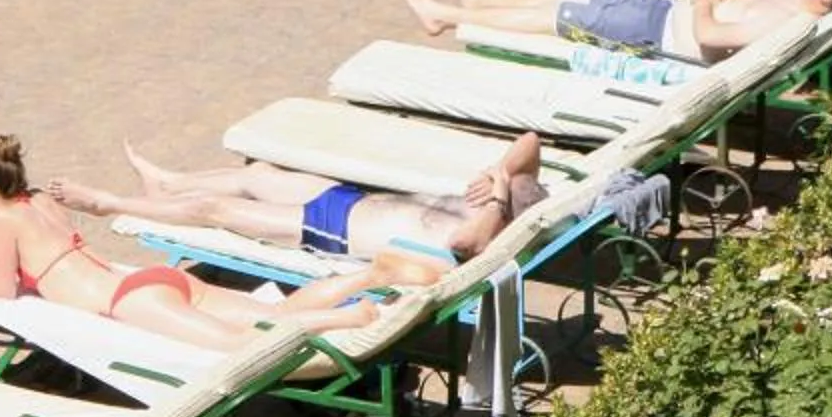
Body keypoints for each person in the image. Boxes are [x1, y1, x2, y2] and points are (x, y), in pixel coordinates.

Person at [0, 134, 388, 348]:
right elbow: (40, 265)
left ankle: (346, 315)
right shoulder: (37, 202)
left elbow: (6, 290)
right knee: (273, 315)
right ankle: (369, 276)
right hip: (150, 281)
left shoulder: (3, 219)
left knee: (236, 344)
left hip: (126, 301)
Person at [45, 133, 548, 267]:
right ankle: (169, 182)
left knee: (216, 211)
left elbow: (465, 242)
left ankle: (111, 203)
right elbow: (530, 141)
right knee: (260, 174)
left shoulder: (484, 231)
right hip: (353, 199)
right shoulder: (505, 202)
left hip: (328, 231)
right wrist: (502, 173)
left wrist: (498, 198)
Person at [402, 0, 832, 64]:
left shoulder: (783, 24)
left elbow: (709, 37)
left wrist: (703, 2)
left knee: (558, 16)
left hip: (656, 32)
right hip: (663, 12)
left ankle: (444, 16)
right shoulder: (795, 1)